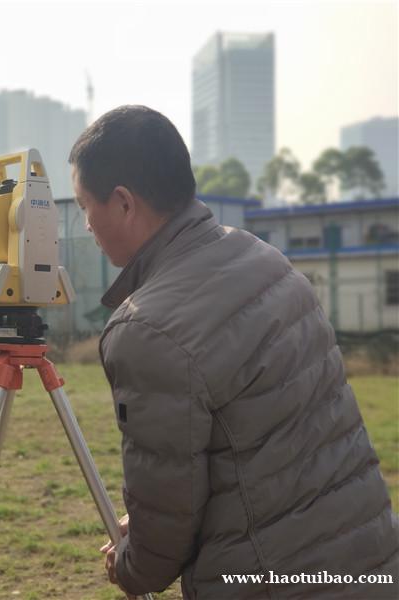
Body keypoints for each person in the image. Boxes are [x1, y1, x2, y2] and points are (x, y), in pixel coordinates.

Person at [68, 105, 398, 599]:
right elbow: (262, 442)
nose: (86, 224)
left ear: (122, 203)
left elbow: (165, 528)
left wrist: (132, 566)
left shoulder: (147, 328)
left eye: (83, 205)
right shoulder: (265, 258)